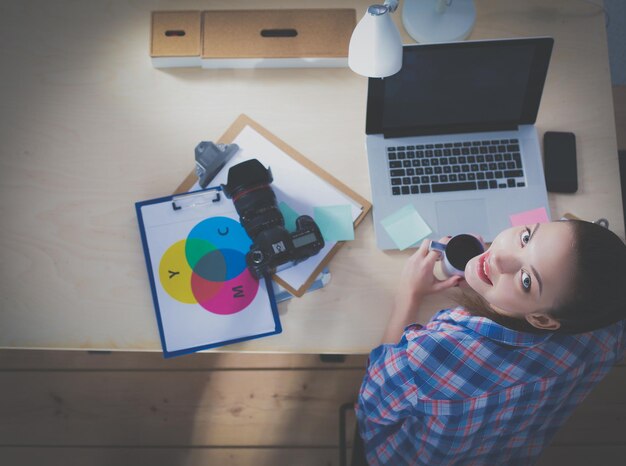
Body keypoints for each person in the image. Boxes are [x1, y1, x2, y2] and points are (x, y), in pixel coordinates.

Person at [355, 219, 626, 465]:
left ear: (542, 320)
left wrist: (408, 293)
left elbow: (369, 410)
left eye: (526, 280)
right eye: (526, 237)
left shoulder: (426, 357)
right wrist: (492, 287)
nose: (498, 259)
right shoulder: (608, 329)